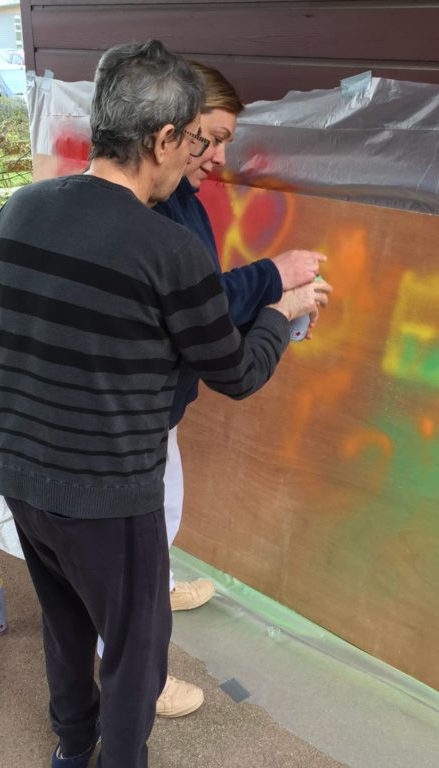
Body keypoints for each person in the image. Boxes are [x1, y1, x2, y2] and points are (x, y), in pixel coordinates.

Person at [0, 40, 326, 768]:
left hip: (19, 473)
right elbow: (235, 373)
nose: (200, 156)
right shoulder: (167, 249)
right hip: (111, 494)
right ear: (164, 138)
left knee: (67, 624)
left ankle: (73, 748)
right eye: (195, 141)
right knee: (137, 651)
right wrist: (280, 313)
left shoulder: (20, 210)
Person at [149, 62, 329, 717]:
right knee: (130, 545)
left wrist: (274, 313)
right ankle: (136, 671)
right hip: (127, 422)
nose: (221, 157)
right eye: (213, 138)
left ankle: (153, 589)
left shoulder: (181, 203)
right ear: (171, 132)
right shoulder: (150, 216)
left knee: (162, 512)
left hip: (155, 406)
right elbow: (225, 350)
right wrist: (275, 290)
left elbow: (205, 309)